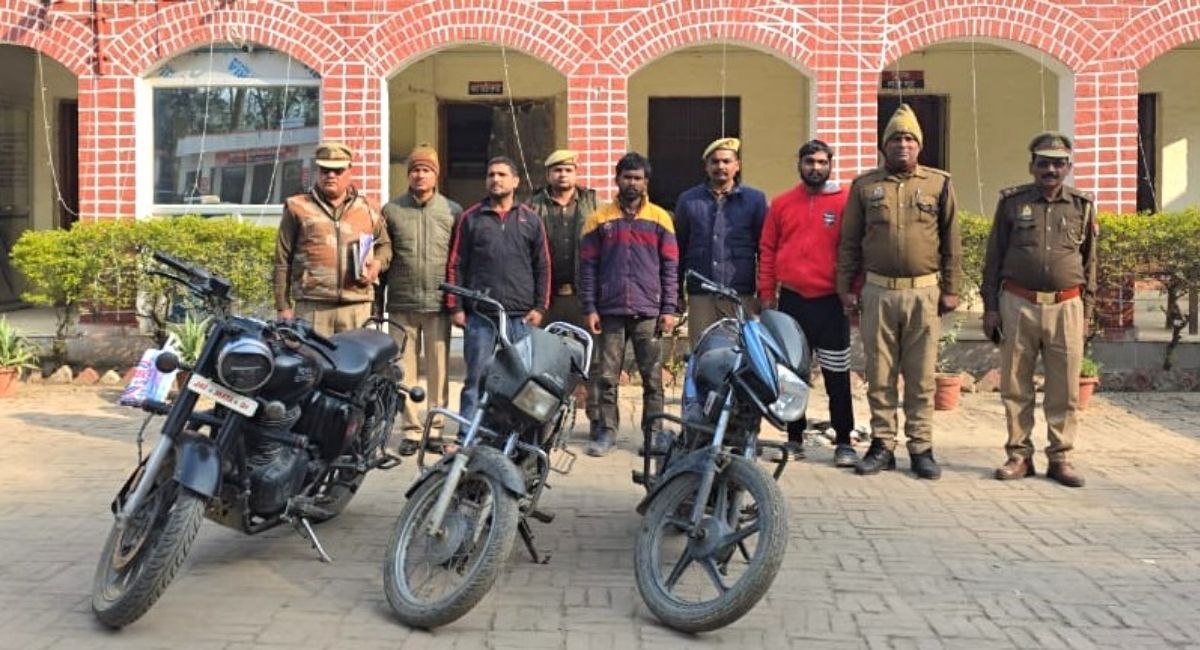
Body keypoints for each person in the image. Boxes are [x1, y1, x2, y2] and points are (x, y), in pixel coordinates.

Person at [836, 104, 961, 480]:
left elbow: (952, 241)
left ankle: (921, 447)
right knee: (880, 373)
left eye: (909, 139)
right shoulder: (865, 186)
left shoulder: (939, 184)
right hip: (877, 292)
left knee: (921, 376)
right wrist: (845, 287)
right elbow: (849, 242)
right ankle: (882, 445)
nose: (902, 145)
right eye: (895, 139)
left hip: (924, 293)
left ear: (919, 145)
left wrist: (952, 288)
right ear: (884, 146)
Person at [981, 132, 1097, 488]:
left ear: (1068, 167)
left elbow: (1090, 262)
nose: (1051, 170)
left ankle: (1060, 457)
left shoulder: (1082, 206)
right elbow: (994, 257)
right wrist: (990, 307)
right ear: (1032, 166)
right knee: (1016, 384)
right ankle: (1019, 455)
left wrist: (1087, 313)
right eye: (1044, 163)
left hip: (1067, 305)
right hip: (1018, 302)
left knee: (1065, 387)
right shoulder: (1012, 203)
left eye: (1058, 164)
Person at [758, 139, 857, 466]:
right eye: (809, 162)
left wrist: (853, 295)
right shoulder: (782, 204)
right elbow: (767, 250)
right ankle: (794, 438)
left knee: (837, 375)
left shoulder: (846, 202)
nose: (815, 168)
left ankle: (844, 441)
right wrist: (766, 294)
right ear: (799, 164)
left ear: (830, 164)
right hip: (792, 301)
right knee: (791, 375)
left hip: (831, 303)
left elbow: (855, 251)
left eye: (821, 162)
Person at [578, 153, 679, 457]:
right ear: (617, 179)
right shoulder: (599, 219)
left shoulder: (660, 218)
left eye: (638, 178)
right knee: (607, 377)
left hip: (649, 311)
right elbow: (588, 268)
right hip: (610, 310)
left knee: (652, 378)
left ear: (646, 182)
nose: (632, 183)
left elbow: (670, 267)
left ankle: (653, 434)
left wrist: (669, 309)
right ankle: (607, 432)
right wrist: (590, 308)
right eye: (627, 177)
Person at [445, 156, 551, 420]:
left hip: (521, 317)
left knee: (520, 381)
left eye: (502, 175)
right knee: (476, 378)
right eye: (491, 174)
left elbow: (543, 265)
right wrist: (455, 307)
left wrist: (540, 307)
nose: (495, 179)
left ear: (516, 181)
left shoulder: (531, 220)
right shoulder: (471, 218)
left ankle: (512, 435)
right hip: (481, 316)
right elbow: (456, 264)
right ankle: (467, 433)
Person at [382, 144, 462, 455]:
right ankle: (412, 430)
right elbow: (383, 254)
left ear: (435, 175)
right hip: (401, 303)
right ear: (408, 174)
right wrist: (378, 303)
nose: (420, 175)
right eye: (415, 169)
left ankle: (436, 428)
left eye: (426, 170)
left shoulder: (452, 211)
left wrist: (455, 301)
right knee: (403, 370)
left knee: (439, 370)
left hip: (437, 303)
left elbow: (457, 259)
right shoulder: (391, 211)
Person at [274, 141, 391, 336]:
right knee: (312, 356)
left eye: (338, 170)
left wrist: (377, 264)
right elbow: (282, 259)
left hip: (357, 308)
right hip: (312, 307)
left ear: (349, 171)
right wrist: (282, 306)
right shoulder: (297, 207)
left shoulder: (368, 209)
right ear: (317, 172)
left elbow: (384, 245)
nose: (330, 175)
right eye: (324, 170)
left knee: (355, 356)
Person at [528, 148, 602, 434]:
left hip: (585, 297)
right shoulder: (533, 205)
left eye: (568, 170)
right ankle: (542, 421)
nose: (563, 175)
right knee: (544, 361)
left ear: (576, 173)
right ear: (548, 174)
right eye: (557, 170)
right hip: (546, 298)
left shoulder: (593, 203)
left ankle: (597, 421)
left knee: (593, 361)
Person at [674, 137, 767, 347]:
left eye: (726, 161)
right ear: (706, 167)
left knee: (739, 352)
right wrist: (676, 293)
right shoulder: (688, 201)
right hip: (701, 295)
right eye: (714, 162)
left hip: (739, 293)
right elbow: (678, 250)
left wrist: (764, 293)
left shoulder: (755, 200)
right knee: (703, 352)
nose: (720, 167)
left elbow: (765, 251)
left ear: (737, 165)